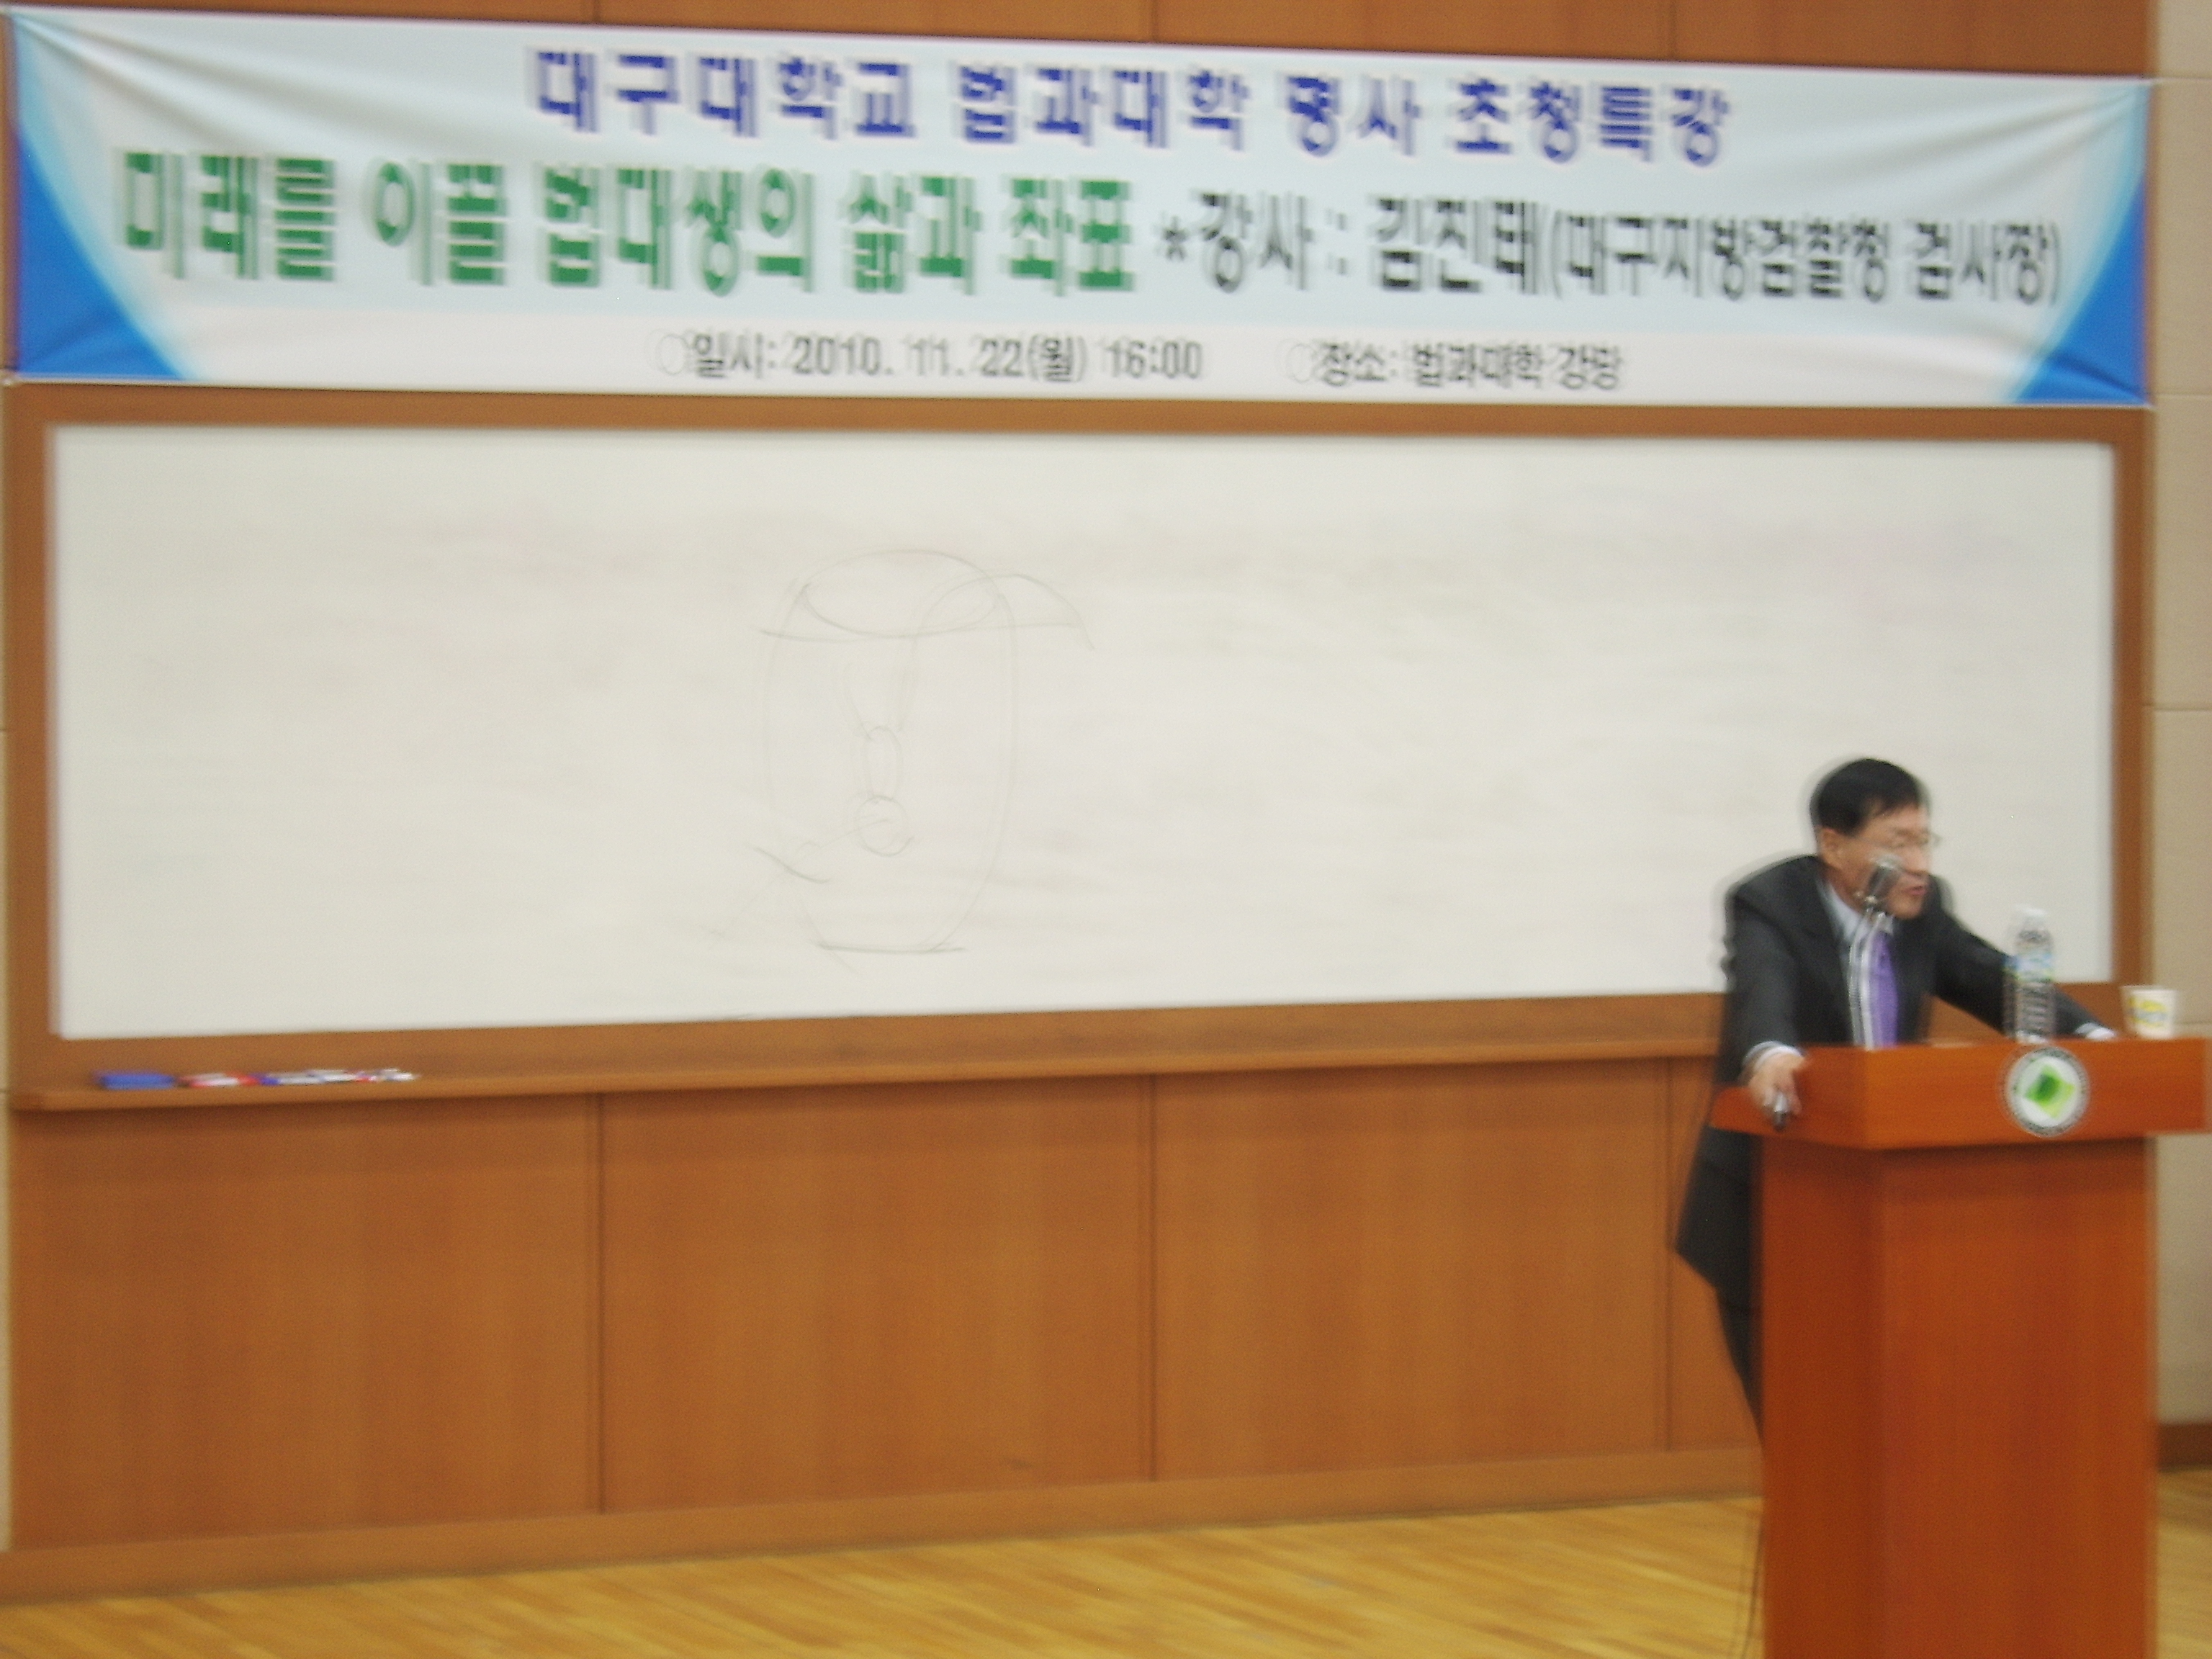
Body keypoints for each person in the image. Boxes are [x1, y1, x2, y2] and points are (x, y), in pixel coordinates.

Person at [1673, 758, 2110, 1421]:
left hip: (1888, 1209)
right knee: (1800, 1428)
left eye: (1924, 842)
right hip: (1775, 1205)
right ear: (1833, 844)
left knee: (1883, 1422)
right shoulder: (1770, 902)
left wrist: (2093, 1036)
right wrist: (1771, 1053)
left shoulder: (1921, 909)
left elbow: (1992, 978)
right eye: (1897, 844)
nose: (1918, 865)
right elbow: (1764, 987)